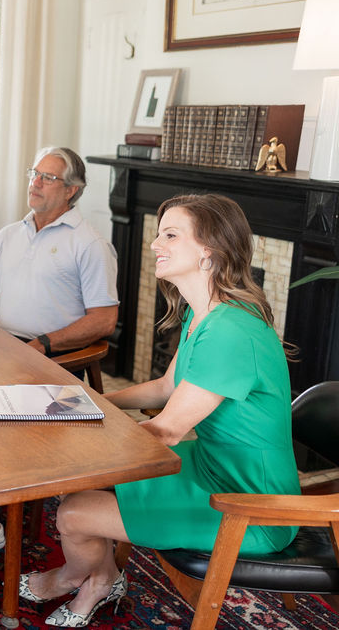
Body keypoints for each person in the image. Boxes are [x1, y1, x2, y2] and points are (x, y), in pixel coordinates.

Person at [19, 193, 300, 627]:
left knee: (73, 513)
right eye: (157, 233)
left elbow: (166, 431)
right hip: (212, 466)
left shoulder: (230, 330)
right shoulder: (205, 312)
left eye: (170, 234)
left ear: (209, 249)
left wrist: (73, 435)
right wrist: (92, 401)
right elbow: (167, 387)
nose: (154, 244)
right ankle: (104, 576)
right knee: (77, 498)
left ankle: (82, 579)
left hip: (249, 503)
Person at [0, 146, 118, 563]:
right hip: (2, 348)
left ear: (73, 190)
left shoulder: (88, 244)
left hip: (52, 359)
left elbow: (104, 320)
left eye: (48, 177)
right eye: (34, 173)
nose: (36, 182)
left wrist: (44, 344)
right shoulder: (10, 235)